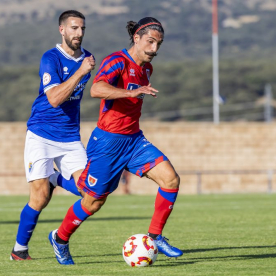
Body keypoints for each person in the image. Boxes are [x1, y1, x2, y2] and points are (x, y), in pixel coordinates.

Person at [48, 17, 183, 265]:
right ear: (137, 38)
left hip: (133, 140)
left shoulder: (147, 69)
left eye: (158, 44)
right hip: (108, 142)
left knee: (171, 179)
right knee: (93, 201)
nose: (154, 49)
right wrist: (131, 92)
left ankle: (155, 236)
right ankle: (60, 238)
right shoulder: (117, 61)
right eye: (150, 42)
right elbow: (96, 89)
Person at [10, 10, 95, 261]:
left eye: (82, 28)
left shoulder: (88, 58)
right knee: (40, 197)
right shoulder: (50, 58)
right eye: (73, 28)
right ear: (62, 30)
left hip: (69, 138)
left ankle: (55, 180)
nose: (78, 33)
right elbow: (55, 99)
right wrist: (80, 72)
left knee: (91, 192)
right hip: (41, 134)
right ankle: (19, 250)